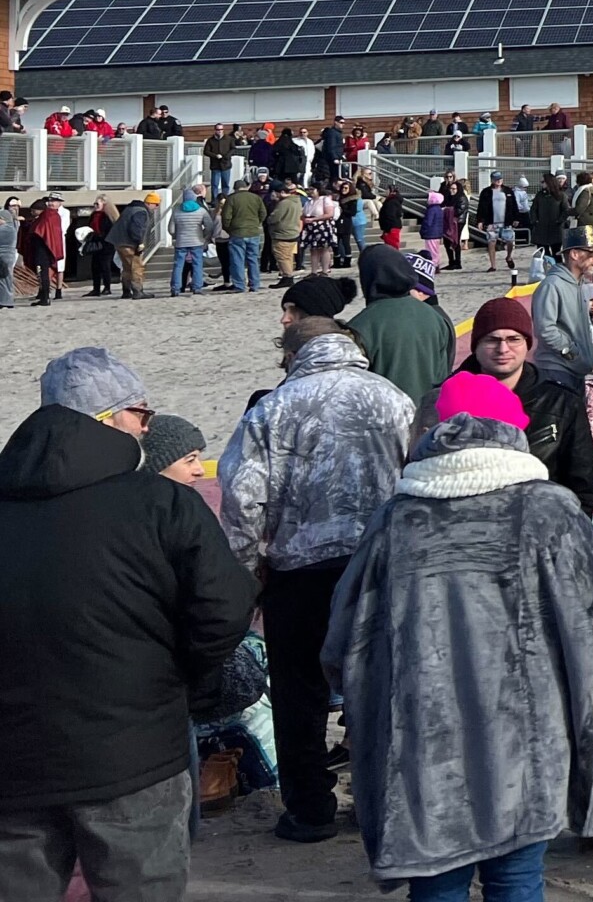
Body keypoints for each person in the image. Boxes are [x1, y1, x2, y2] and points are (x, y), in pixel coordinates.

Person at [323, 379, 593, 901]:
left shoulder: (397, 517)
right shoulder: (552, 509)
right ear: (513, 434)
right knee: (518, 879)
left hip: (421, 741)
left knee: (436, 882)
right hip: (528, 741)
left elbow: (345, 636)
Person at [0, 349, 257, 902]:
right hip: (134, 749)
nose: (148, 426)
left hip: (16, 755)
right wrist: (180, 677)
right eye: (143, 413)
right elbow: (226, 608)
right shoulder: (160, 503)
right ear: (110, 417)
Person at [219, 318, 416, 843]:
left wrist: (247, 563)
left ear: (292, 353)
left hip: (298, 568)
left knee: (299, 694)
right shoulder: (393, 398)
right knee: (378, 686)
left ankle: (310, 807)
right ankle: (387, 802)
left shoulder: (275, 406)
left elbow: (243, 494)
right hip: (379, 563)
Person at [461, 294, 593, 512]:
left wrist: (575, 530)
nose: (503, 349)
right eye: (492, 340)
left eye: (513, 339)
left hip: (541, 525)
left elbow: (582, 479)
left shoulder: (560, 401)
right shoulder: (444, 400)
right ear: (476, 345)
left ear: (527, 344)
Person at [346, 240, 456, 413]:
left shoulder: (360, 326)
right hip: (428, 419)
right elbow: (444, 373)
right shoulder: (436, 317)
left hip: (383, 424)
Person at [533, 236, 593, 381]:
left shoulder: (580, 285)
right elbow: (545, 330)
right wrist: (571, 351)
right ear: (574, 254)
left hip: (575, 369)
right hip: (557, 370)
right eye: (592, 252)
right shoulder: (552, 285)